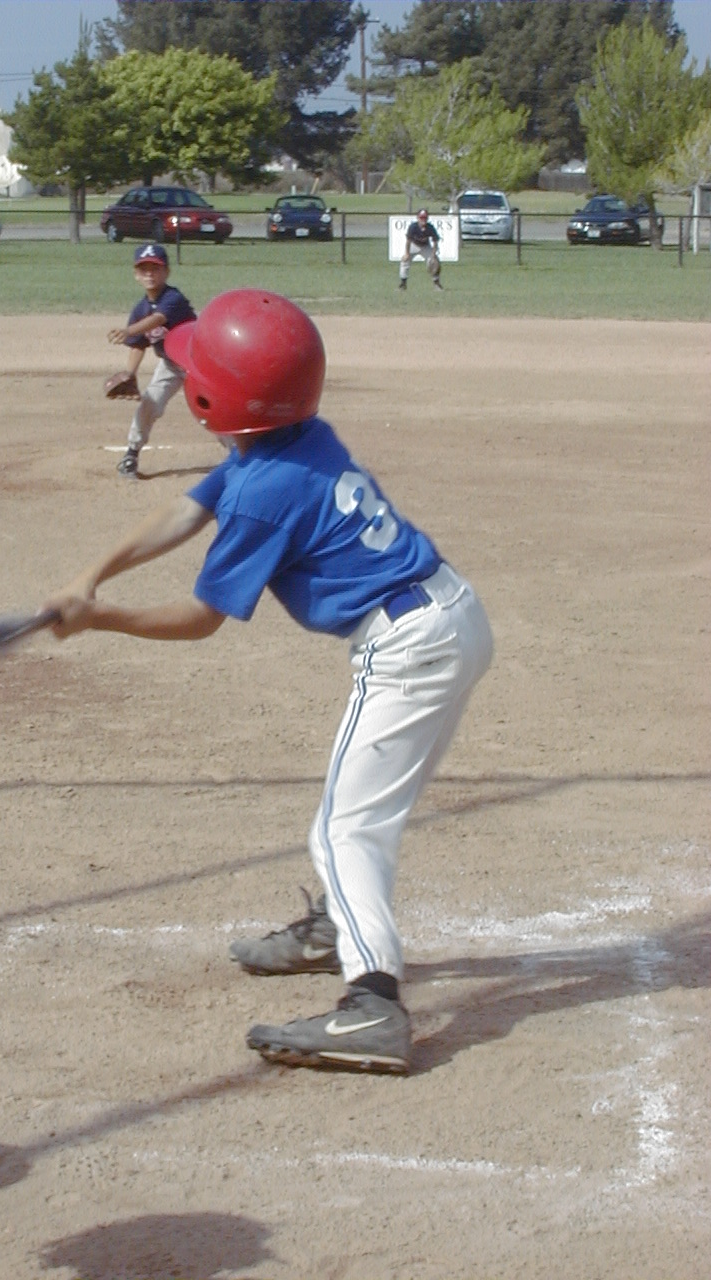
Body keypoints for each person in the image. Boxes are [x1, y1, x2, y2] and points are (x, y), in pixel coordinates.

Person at [45, 289, 492, 1075]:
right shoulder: (290, 439)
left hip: (408, 648)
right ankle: (339, 928)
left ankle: (374, 1007)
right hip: (448, 618)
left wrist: (100, 617)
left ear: (215, 400)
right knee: (363, 816)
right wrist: (92, 573)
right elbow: (189, 510)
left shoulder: (264, 492)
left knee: (344, 830)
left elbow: (201, 618)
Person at [109, 242, 196, 479]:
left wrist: (128, 330)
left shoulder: (173, 298)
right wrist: (130, 374)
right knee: (149, 403)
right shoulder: (140, 309)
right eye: (144, 269)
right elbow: (138, 345)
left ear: (166, 272)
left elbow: (158, 319)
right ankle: (131, 454)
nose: (149, 274)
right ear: (136, 275)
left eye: (155, 269)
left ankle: (238, 452)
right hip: (170, 365)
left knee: (211, 410)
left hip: (197, 364)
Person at [399, 208, 443, 291]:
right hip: (414, 245)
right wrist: (407, 253)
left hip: (425, 246)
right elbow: (408, 241)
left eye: (425, 218)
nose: (423, 220)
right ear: (417, 218)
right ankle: (403, 284)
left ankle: (436, 284)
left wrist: (433, 255)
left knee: (434, 263)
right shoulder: (413, 227)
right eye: (421, 218)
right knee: (405, 261)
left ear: (427, 218)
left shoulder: (430, 227)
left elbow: (435, 241)